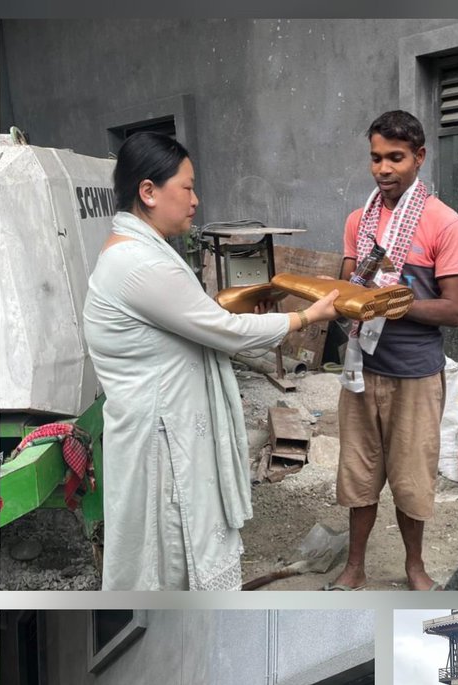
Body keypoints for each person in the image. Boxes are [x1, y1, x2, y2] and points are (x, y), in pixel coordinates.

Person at [83, 131, 341, 591]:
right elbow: (220, 331)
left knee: (172, 550)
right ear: (148, 191)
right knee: (172, 549)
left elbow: (195, 319)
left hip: (165, 427)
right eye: (187, 187)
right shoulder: (139, 262)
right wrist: (306, 316)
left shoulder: (144, 247)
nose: (196, 200)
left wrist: (237, 309)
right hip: (163, 441)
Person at [326, 110, 458, 592]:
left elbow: (454, 311)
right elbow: (347, 285)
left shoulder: (444, 224)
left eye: (395, 157)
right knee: (359, 475)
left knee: (411, 480)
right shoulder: (358, 221)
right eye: (375, 158)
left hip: (415, 374)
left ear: (419, 158)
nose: (383, 169)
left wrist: (388, 305)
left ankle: (415, 567)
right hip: (360, 370)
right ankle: (355, 567)